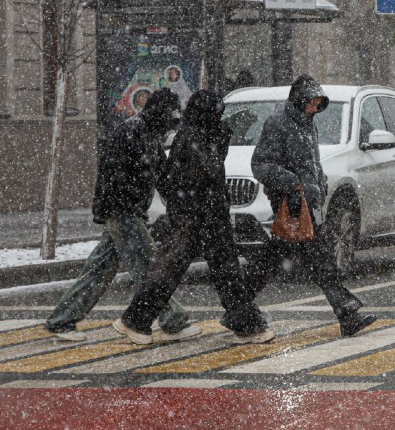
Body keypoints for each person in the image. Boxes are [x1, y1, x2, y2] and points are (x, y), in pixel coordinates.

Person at [114, 91, 274, 344]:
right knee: (179, 272)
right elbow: (209, 168)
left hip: (206, 215)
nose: (219, 118)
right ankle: (134, 320)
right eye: (215, 114)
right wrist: (220, 137)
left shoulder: (197, 134)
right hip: (195, 217)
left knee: (222, 272)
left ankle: (247, 325)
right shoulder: (193, 137)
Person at [44, 89, 200, 342]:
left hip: (128, 211)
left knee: (99, 270)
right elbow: (111, 174)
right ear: (158, 114)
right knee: (149, 265)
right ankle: (172, 320)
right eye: (169, 119)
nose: (170, 126)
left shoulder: (148, 135)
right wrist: (113, 209)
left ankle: (62, 321)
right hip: (123, 211)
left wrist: (180, 202)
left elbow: (162, 176)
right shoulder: (132, 132)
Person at [243, 75, 376, 337]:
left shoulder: (307, 124)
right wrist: (292, 185)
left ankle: (238, 305)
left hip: (304, 204)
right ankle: (347, 313)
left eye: (318, 103)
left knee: (276, 259)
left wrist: (319, 184)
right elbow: (261, 165)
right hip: (289, 204)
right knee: (318, 261)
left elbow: (311, 162)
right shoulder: (278, 123)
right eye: (312, 102)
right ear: (299, 100)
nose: (315, 108)